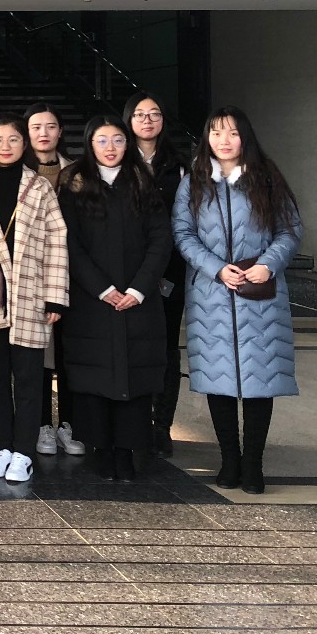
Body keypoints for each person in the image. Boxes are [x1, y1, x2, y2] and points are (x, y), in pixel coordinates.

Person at [173, 106, 302, 495]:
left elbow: (290, 230)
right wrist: (216, 268)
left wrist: (267, 265)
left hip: (260, 294)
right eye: (215, 133)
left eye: (231, 133)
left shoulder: (266, 178)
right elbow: (182, 233)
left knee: (261, 382)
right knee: (219, 382)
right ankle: (229, 459)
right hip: (212, 295)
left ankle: (253, 464)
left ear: (245, 137)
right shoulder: (194, 183)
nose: (223, 141)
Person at [56, 114, 172, 483]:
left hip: (138, 300)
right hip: (92, 300)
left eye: (118, 140)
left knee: (134, 378)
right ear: (89, 144)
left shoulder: (142, 182)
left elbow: (160, 239)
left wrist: (138, 289)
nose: (110, 148)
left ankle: (127, 451)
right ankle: (101, 451)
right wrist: (102, 289)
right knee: (94, 377)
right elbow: (69, 242)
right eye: (102, 140)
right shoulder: (74, 185)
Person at [0, 116, 68, 485]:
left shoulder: (40, 186)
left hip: (31, 291)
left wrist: (56, 297)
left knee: (29, 377)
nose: (5, 146)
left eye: (13, 139)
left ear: (24, 144)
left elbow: (57, 241)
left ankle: (23, 451)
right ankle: (3, 446)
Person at [126, 91, 189, 457]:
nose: (147, 120)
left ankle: (162, 425)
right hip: (124, 271)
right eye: (139, 114)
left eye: (154, 114)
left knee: (165, 347)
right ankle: (134, 421)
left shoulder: (179, 167)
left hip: (168, 272)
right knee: (130, 345)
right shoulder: (118, 159)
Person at [24, 101, 81, 459]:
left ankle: (70, 423)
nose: (43, 133)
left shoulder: (78, 172)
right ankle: (43, 424)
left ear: (60, 131)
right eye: (36, 127)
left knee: (70, 352)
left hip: (74, 273)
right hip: (32, 275)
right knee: (39, 355)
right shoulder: (18, 171)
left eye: (50, 126)